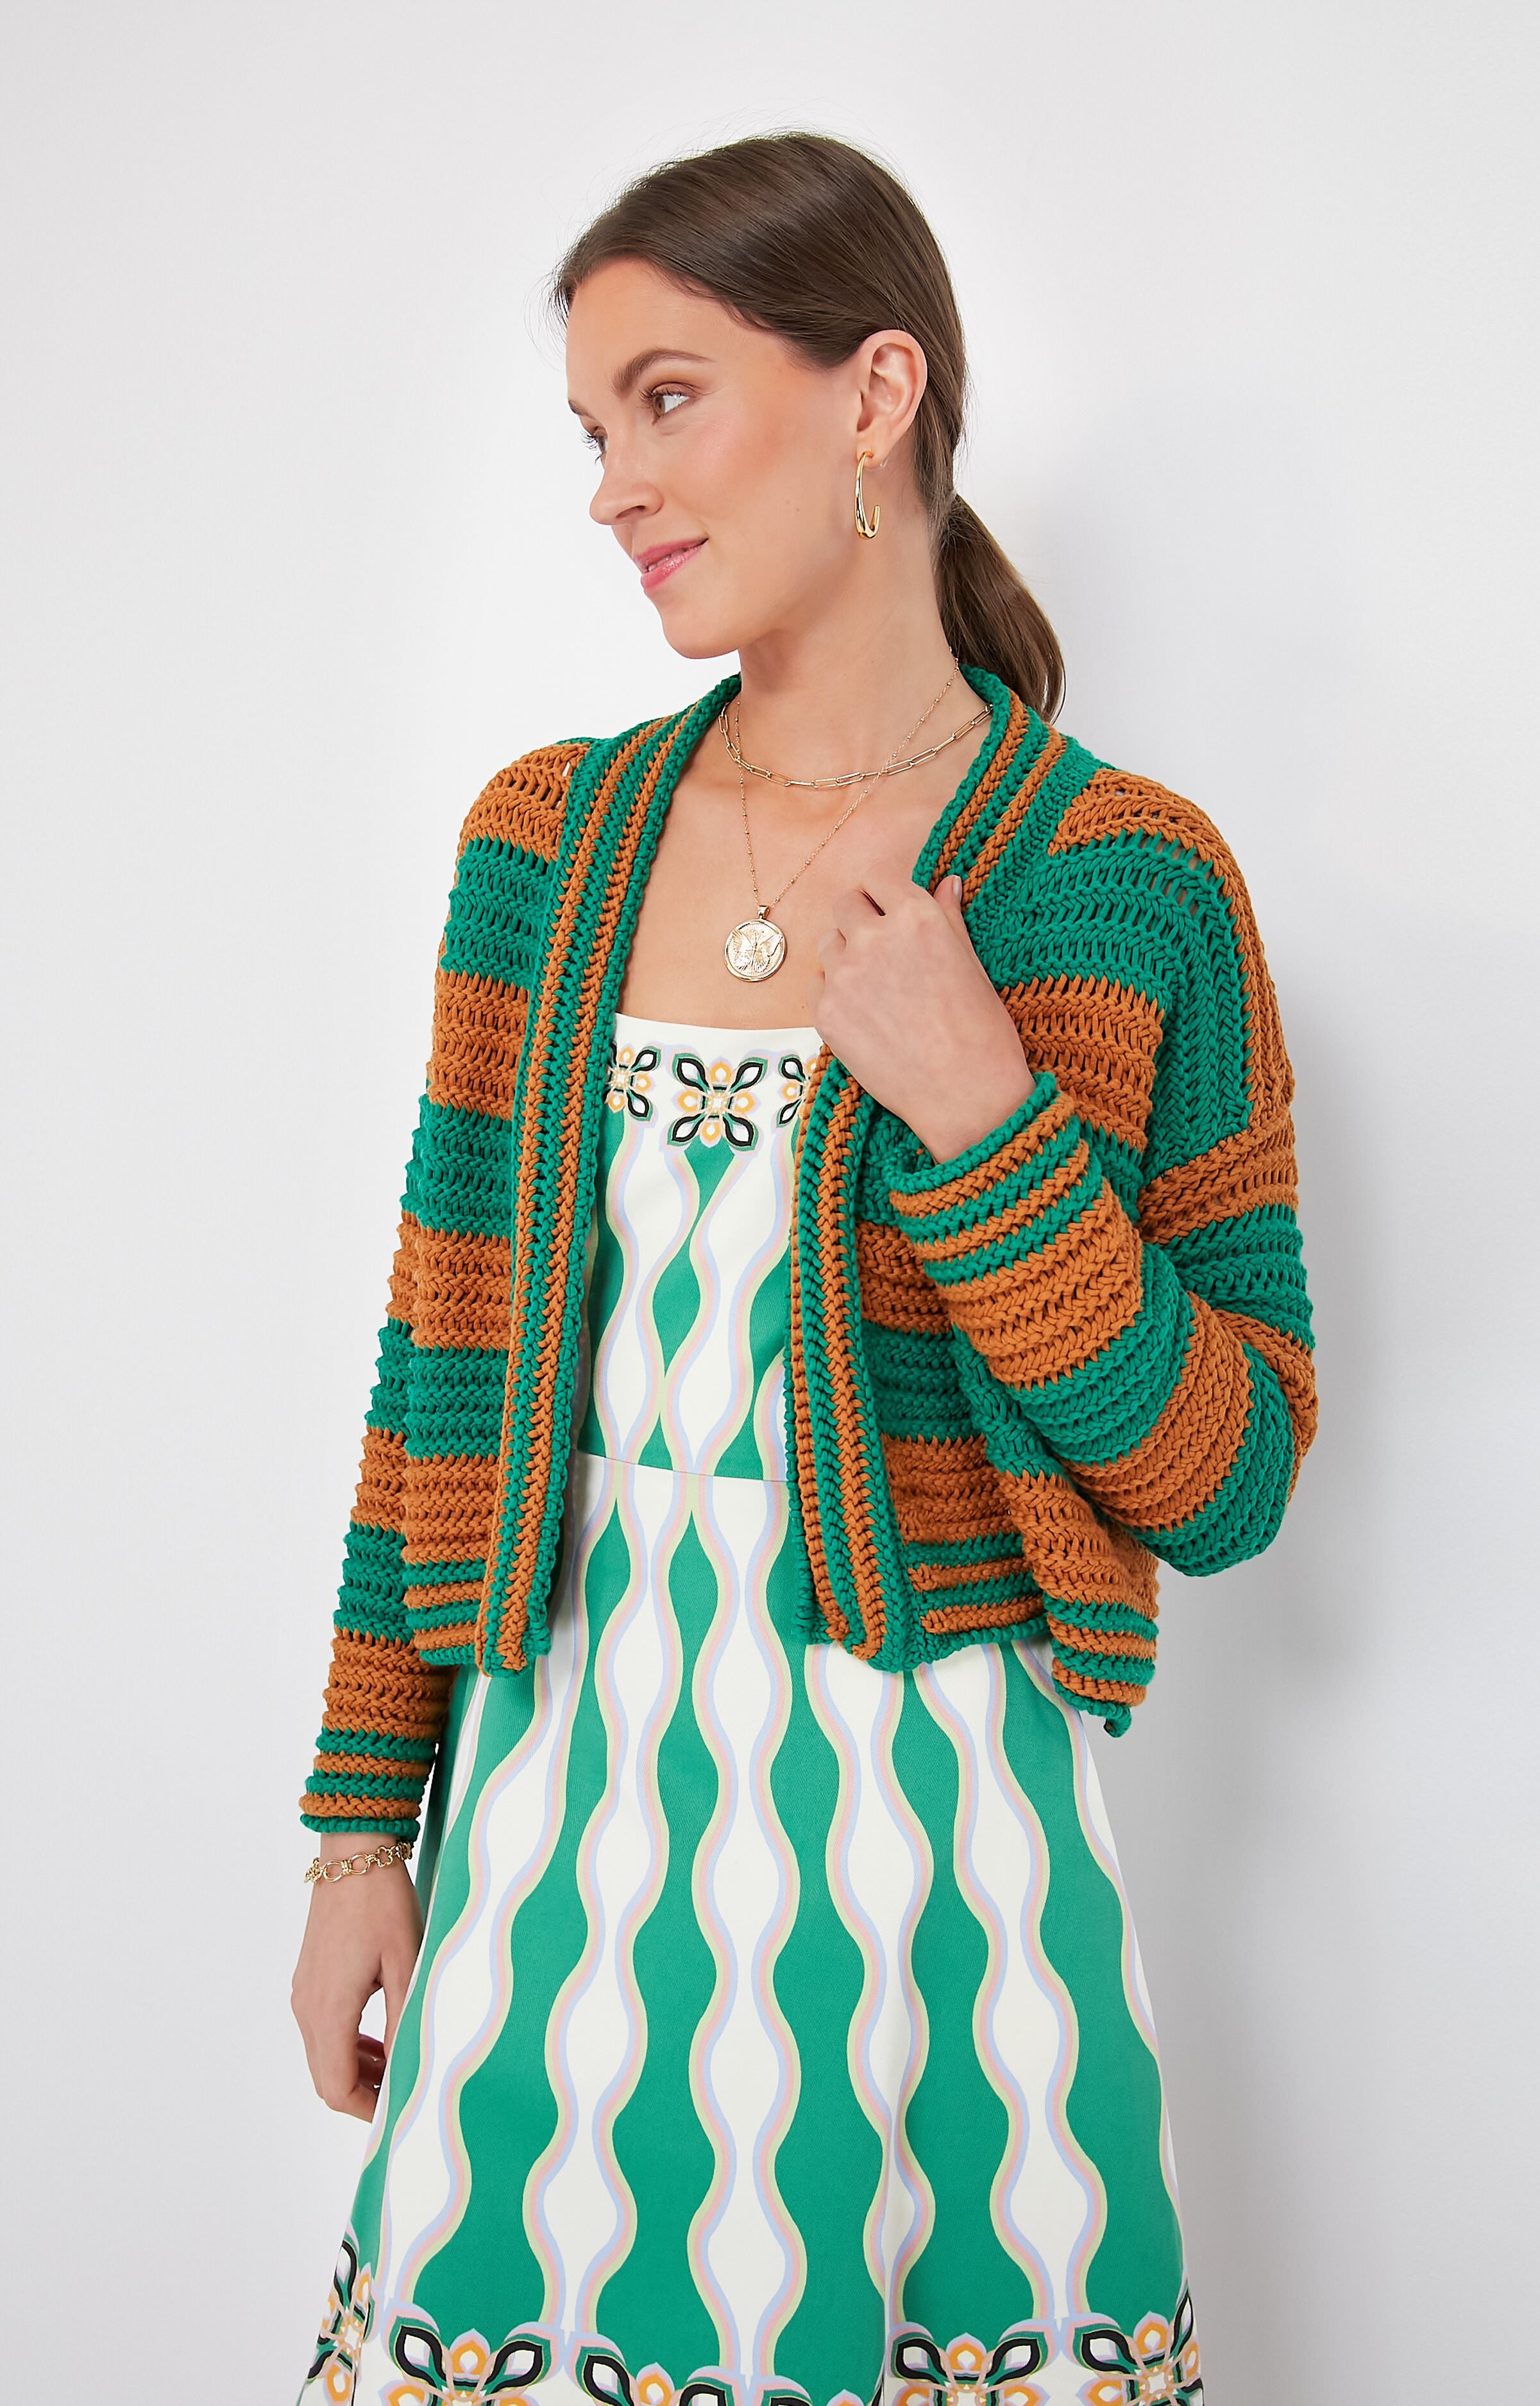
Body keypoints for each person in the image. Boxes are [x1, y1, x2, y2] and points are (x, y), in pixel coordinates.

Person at [290, 131, 1315, 2406]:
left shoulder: (1126, 885)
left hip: (933, 1853)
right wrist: (363, 1821)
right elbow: (435, 1373)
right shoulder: (544, 844)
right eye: (591, 428)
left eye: (666, 400)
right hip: (549, 1815)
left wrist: (985, 1125)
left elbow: (1228, 1477)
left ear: (875, 392)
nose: (612, 488)